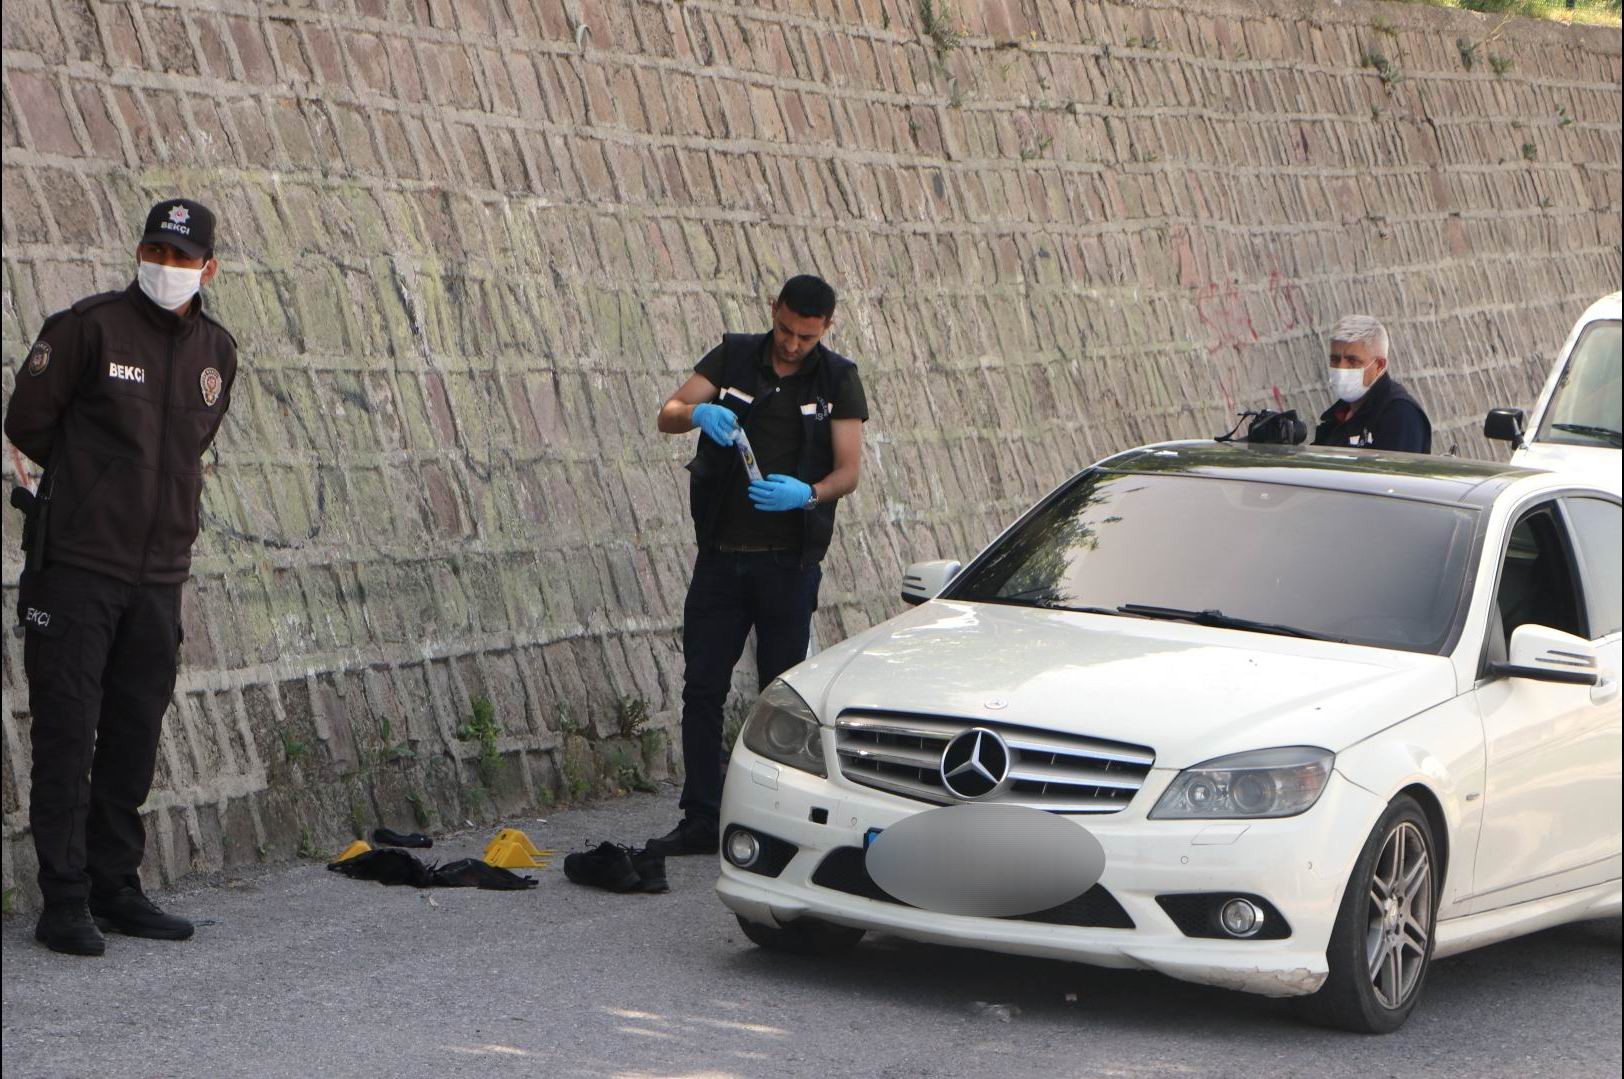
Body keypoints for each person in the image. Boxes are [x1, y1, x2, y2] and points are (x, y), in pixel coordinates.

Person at [4, 198, 238, 955]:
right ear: (141, 252)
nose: (165, 269)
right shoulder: (90, 328)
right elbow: (28, 422)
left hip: (159, 575)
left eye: (180, 258)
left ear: (208, 268)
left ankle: (115, 884)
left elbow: (193, 441)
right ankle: (64, 900)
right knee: (69, 735)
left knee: (133, 735)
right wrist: (86, 492)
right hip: (77, 569)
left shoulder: (216, 352)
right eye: (155, 252)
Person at [648, 275, 867, 856]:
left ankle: (774, 821)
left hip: (788, 565)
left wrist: (810, 494)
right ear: (774, 311)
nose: (793, 344)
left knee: (783, 698)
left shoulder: (837, 379)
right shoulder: (736, 354)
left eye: (807, 336)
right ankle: (700, 814)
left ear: (825, 329)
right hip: (722, 557)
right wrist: (699, 416)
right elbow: (668, 411)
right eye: (787, 330)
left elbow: (849, 469)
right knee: (703, 689)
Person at [1312, 315, 1431, 452]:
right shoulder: (1338, 416)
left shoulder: (1400, 414)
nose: (1341, 368)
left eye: (1352, 361)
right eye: (1335, 359)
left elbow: (1396, 471)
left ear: (1379, 366)